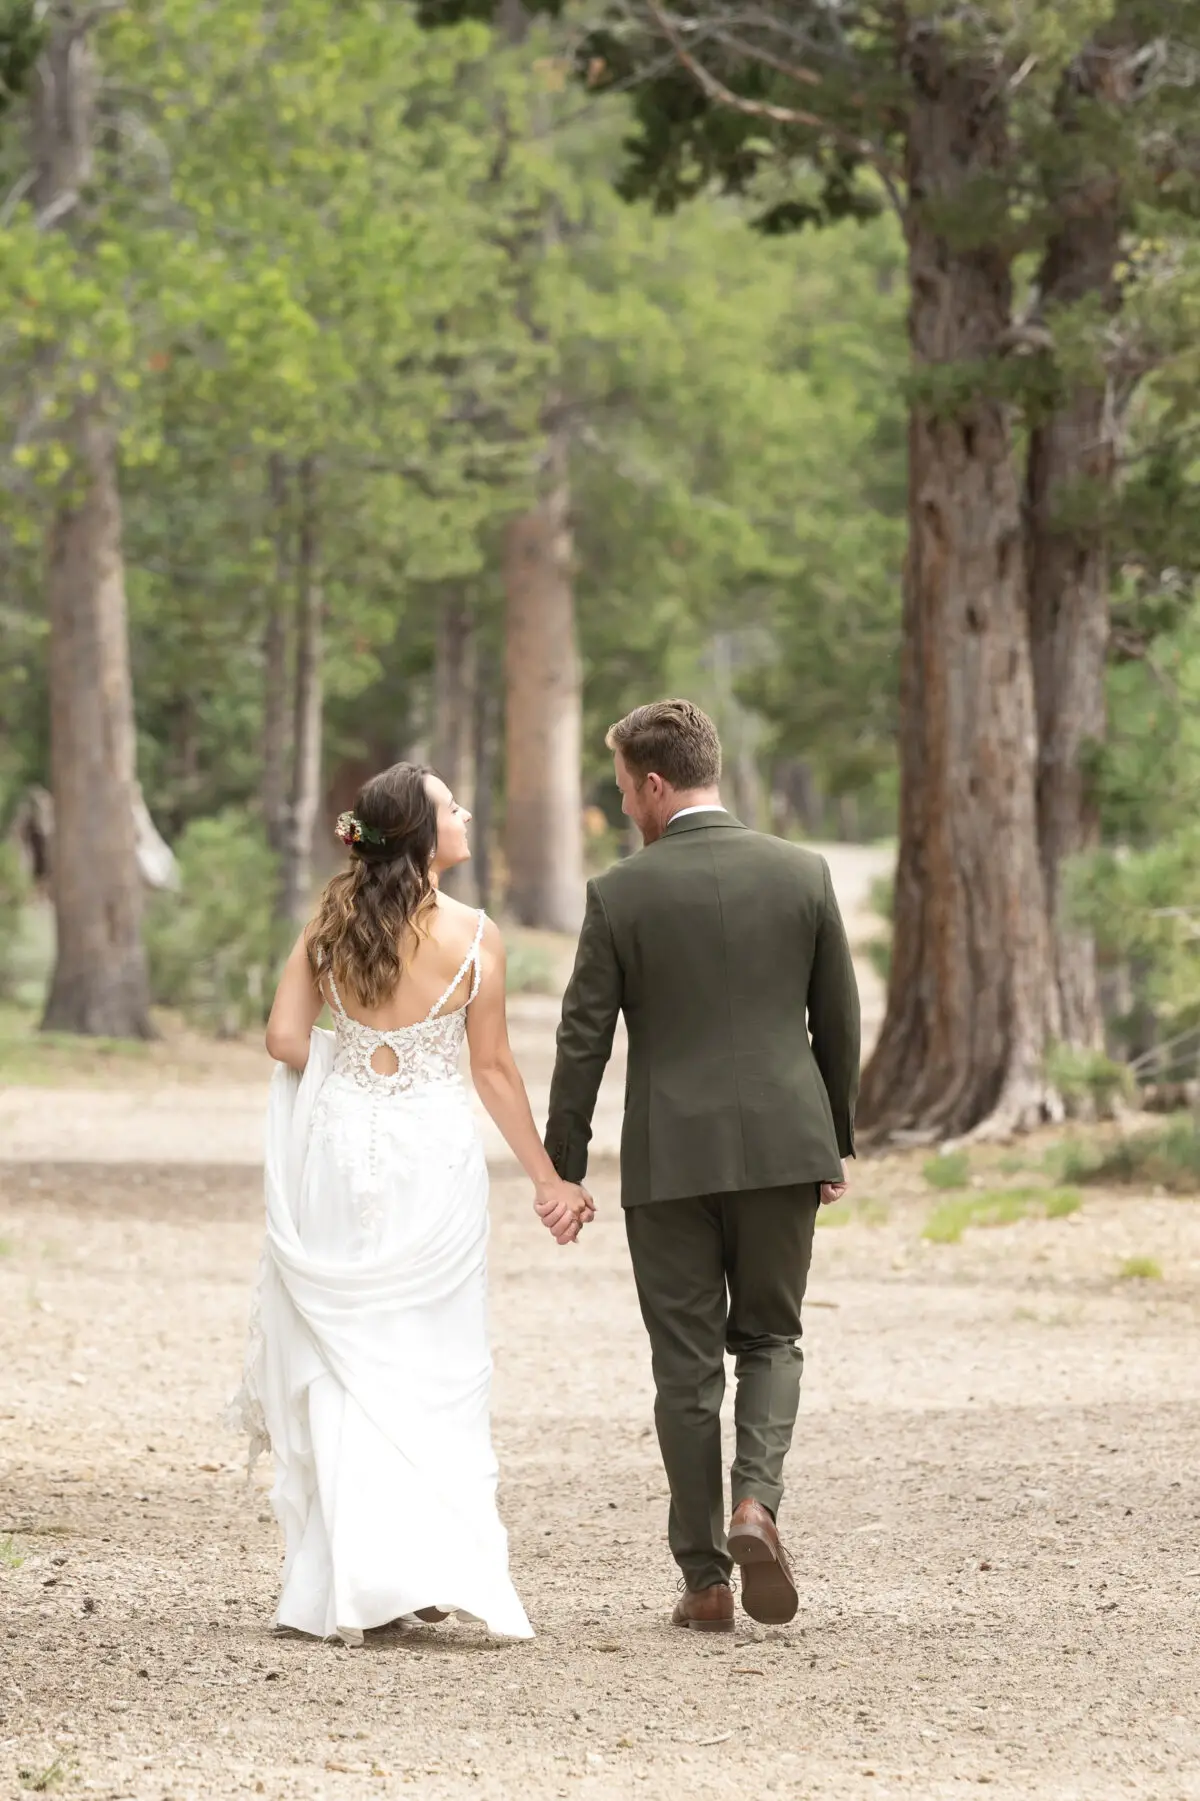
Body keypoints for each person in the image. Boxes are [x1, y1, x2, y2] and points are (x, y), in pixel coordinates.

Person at [229, 762, 591, 1646]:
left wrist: (352, 1072)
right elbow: (494, 1070)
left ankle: (349, 1577)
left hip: (343, 1148)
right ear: (424, 836)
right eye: (450, 805)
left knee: (347, 1357)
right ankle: (428, 1561)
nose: (465, 812)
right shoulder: (476, 935)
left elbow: (283, 1037)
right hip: (432, 1153)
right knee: (431, 1356)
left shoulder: (330, 920)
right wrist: (549, 1179)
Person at [544, 700, 860, 1634]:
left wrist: (566, 1163)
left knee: (685, 1369)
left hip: (669, 1157)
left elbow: (582, 1038)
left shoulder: (621, 893)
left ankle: (706, 1580)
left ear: (652, 782)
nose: (623, 808)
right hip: (780, 1147)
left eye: (622, 790)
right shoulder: (802, 873)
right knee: (771, 1337)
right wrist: (832, 1139)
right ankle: (755, 1503)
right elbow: (835, 1018)